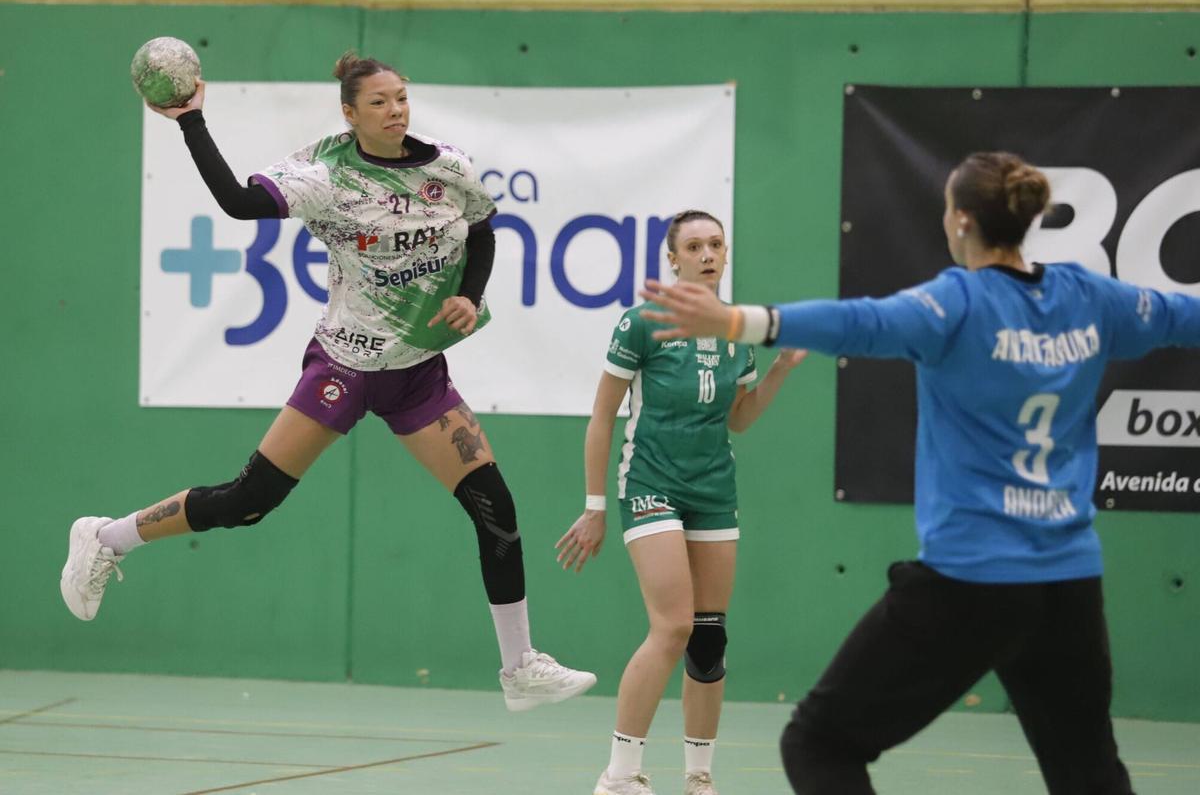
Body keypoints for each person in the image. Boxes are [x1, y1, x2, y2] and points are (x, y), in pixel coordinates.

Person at [639, 152, 1200, 795]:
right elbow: (1185, 317)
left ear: (961, 221)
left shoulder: (957, 303)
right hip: (1069, 580)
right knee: (1089, 772)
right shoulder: (1089, 295)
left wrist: (741, 320)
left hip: (972, 579)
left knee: (817, 743)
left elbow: (862, 323)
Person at [60, 51, 595, 711]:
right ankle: (106, 536)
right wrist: (190, 120)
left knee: (495, 507)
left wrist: (469, 293)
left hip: (417, 374)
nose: (396, 109)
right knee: (249, 500)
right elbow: (236, 202)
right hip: (345, 365)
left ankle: (519, 666)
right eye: (379, 102)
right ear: (349, 112)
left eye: (401, 96)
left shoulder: (447, 167)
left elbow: (483, 229)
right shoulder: (324, 175)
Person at [555, 210, 805, 795]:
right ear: (673, 259)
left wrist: (781, 371)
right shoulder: (642, 323)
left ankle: (699, 777)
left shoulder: (738, 331)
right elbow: (600, 418)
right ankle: (620, 775)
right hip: (650, 486)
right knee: (672, 625)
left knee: (709, 635)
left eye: (716, 243)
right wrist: (594, 506)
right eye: (694, 245)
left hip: (714, 490)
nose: (708, 253)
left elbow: (739, 419)